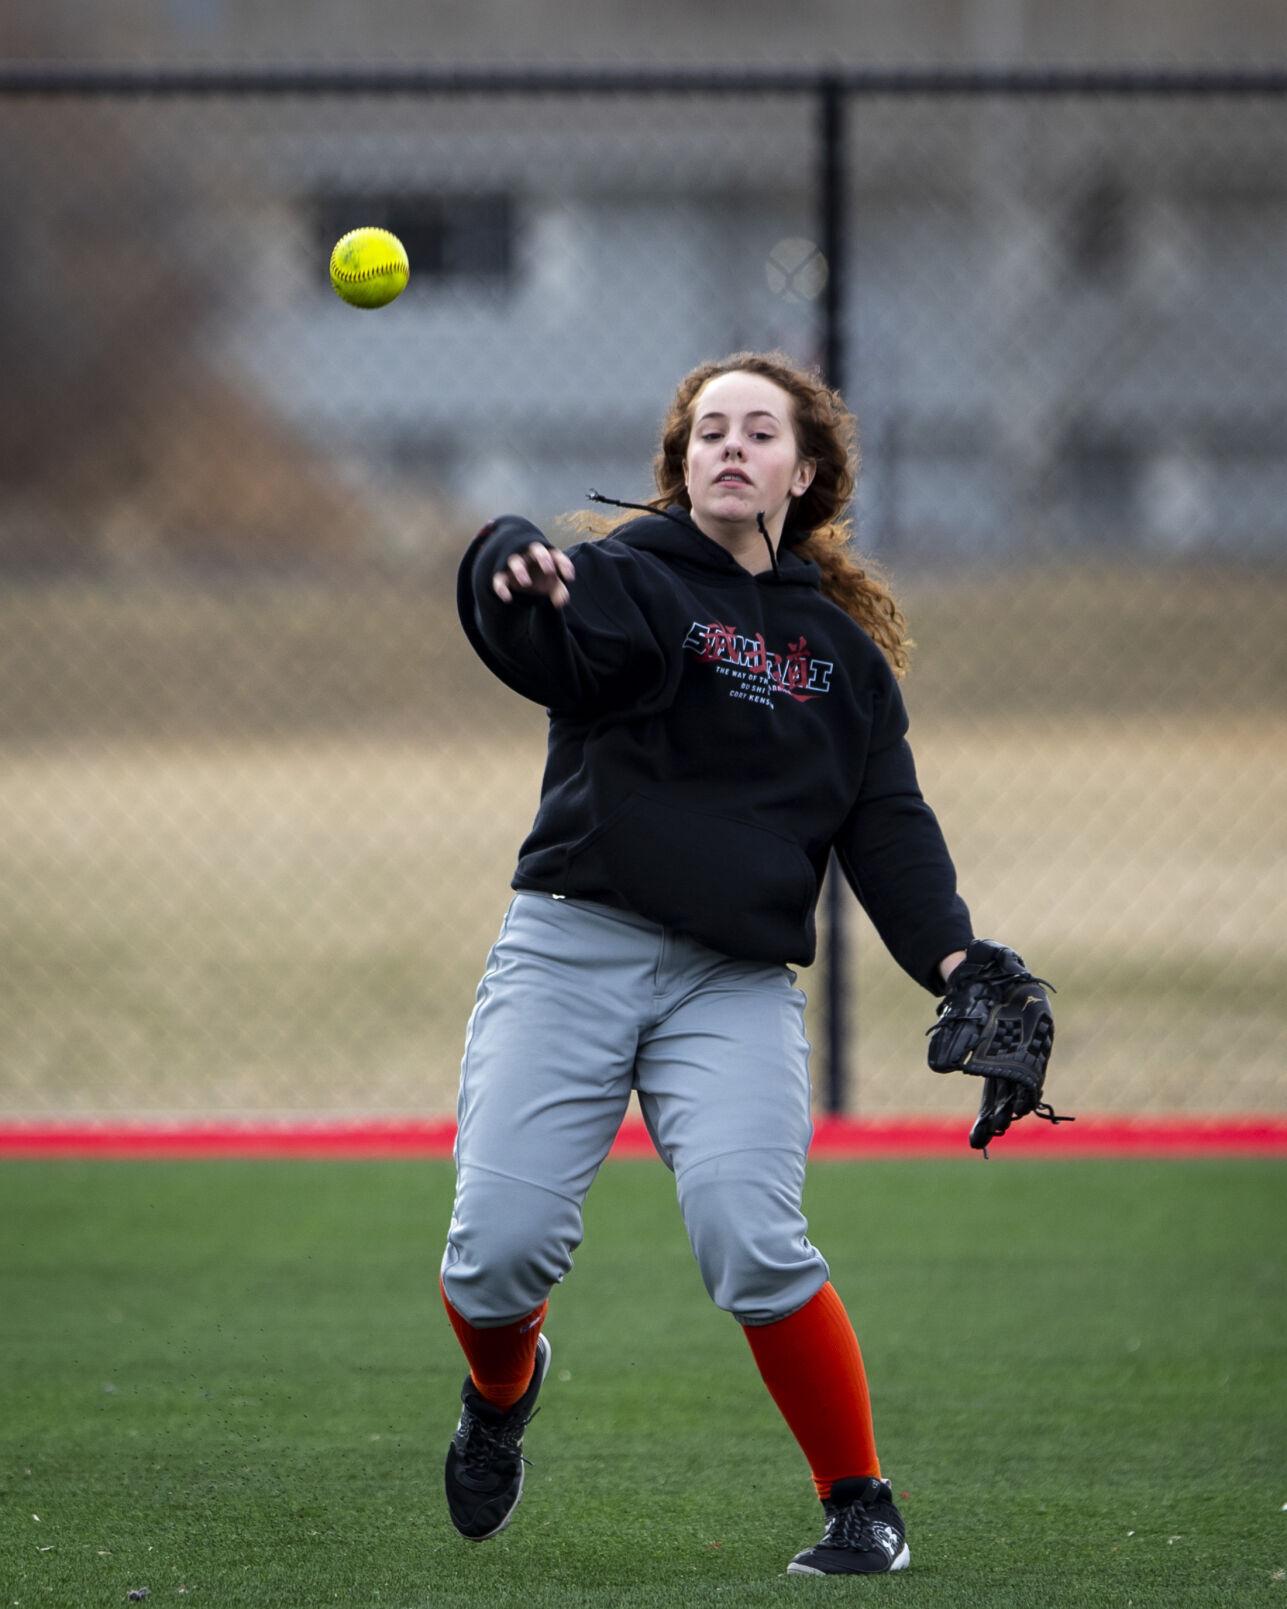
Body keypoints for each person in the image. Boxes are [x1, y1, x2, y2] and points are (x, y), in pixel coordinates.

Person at [438, 349, 975, 1577]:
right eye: (709, 431)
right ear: (682, 465)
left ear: (807, 470)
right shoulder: (631, 584)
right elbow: (542, 633)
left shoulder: (841, 655)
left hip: (728, 984)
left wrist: (959, 961)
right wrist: (505, 557)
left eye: (759, 432)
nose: (731, 447)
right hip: (575, 945)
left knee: (754, 1235)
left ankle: (859, 1502)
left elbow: (887, 831)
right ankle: (500, 1392)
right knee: (497, 1253)